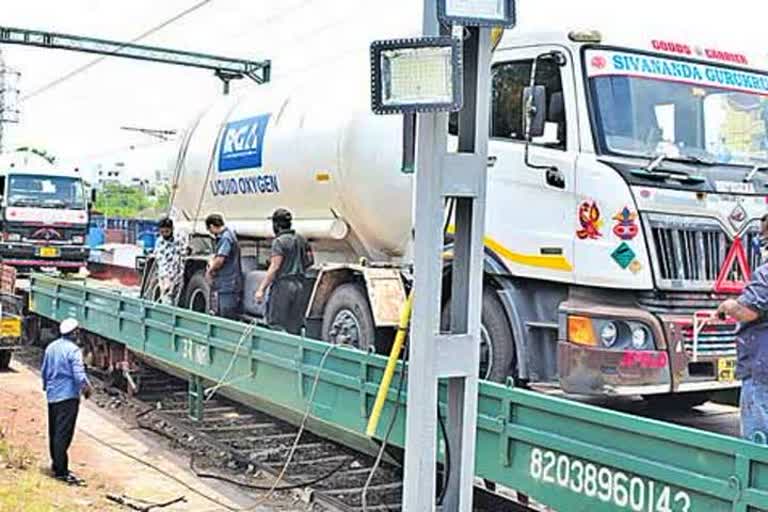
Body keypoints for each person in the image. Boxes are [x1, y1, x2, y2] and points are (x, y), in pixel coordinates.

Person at [717, 214, 768, 440]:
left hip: (762, 370)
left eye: (763, 237)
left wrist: (727, 306)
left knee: (757, 444)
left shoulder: (765, 275)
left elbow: (748, 311)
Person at [40, 318, 93, 485]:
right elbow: (79, 374)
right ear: (74, 333)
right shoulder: (74, 350)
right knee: (64, 434)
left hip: (53, 395)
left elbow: (44, 371)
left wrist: (46, 388)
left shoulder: (51, 347)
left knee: (54, 431)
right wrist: (86, 389)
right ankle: (61, 471)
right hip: (68, 396)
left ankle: (56, 465)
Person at [255, 208, 314, 334]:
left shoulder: (279, 241)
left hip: (283, 286)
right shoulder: (301, 239)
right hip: (300, 285)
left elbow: (275, 267)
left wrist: (261, 289)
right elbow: (310, 260)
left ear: (276, 224)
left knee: (276, 324)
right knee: (294, 325)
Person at [205, 213, 243, 320]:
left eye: (210, 230)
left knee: (226, 315)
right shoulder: (228, 235)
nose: (211, 233)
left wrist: (209, 271)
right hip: (228, 282)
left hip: (228, 283)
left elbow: (220, 259)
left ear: (212, 226)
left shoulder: (225, 238)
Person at [153, 217, 187, 305]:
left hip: (178, 276)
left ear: (172, 229)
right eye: (162, 232)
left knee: (177, 302)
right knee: (166, 301)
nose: (164, 234)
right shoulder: (159, 242)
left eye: (167, 232)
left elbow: (183, 256)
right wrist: (166, 280)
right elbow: (161, 262)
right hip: (165, 277)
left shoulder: (179, 240)